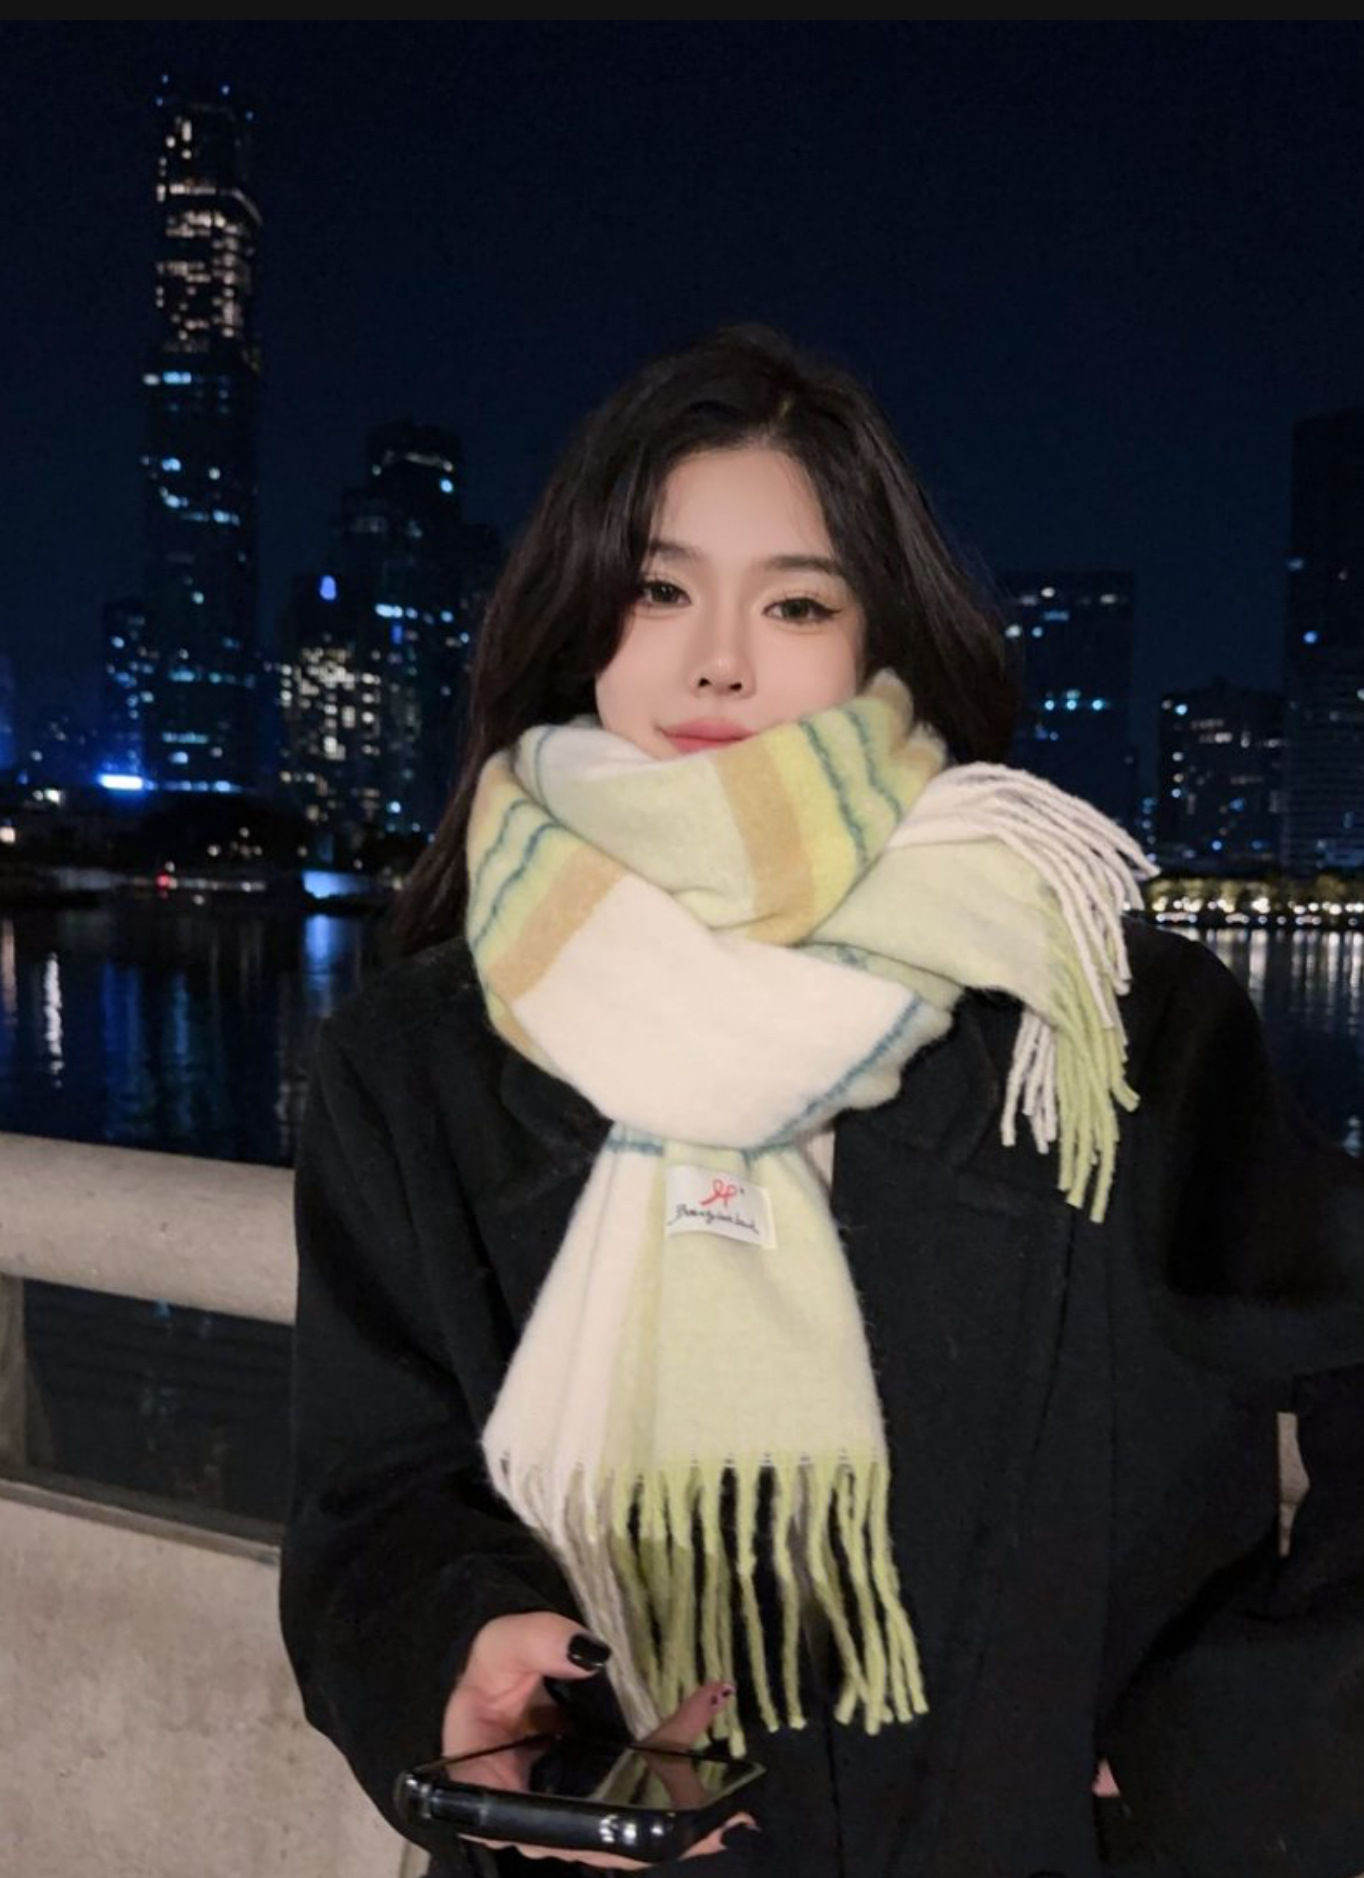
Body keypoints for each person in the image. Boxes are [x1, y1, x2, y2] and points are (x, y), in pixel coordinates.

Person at [278, 323, 1364, 1878]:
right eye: (660, 590)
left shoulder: (1109, 1019)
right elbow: (372, 1495)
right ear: (584, 623)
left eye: (795, 601)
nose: (718, 658)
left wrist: (1242, 1742)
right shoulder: (421, 1061)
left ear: (878, 641)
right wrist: (451, 1653)